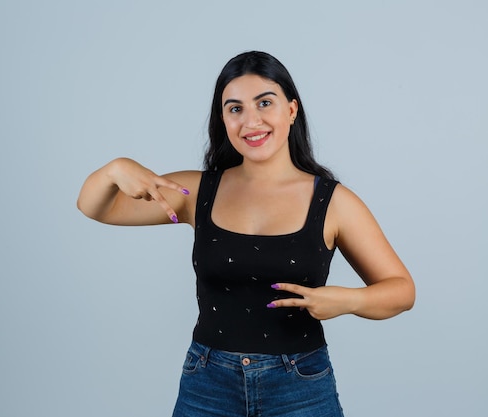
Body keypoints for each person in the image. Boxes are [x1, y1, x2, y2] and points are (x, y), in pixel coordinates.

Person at [77, 51, 415, 417]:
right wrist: (116, 169)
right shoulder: (196, 192)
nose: (250, 121)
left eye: (264, 103)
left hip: (299, 387)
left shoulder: (333, 202)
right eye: (235, 108)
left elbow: (401, 290)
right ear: (222, 119)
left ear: (291, 110)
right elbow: (97, 207)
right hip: (207, 384)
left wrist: (347, 301)